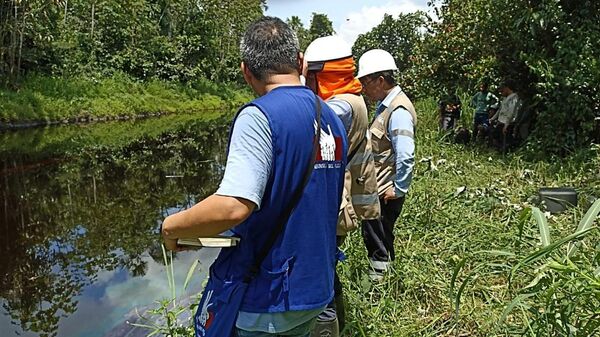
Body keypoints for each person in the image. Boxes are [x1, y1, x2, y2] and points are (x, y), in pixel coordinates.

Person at [160, 16, 348, 337]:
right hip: (317, 287)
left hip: (271, 295)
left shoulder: (258, 116)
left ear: (246, 70)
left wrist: (171, 226)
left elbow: (234, 206)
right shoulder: (330, 116)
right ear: (300, 62)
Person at [304, 35, 380, 336]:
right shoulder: (353, 97)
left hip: (330, 207)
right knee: (328, 275)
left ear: (325, 74)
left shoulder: (340, 107)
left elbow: (308, 134)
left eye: (311, 77)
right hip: (337, 203)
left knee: (319, 280)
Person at [356, 49, 416, 281]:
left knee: (377, 237)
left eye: (366, 82)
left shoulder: (398, 110)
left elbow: (406, 153)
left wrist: (398, 188)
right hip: (379, 187)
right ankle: (386, 277)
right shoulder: (386, 106)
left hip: (385, 191)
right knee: (380, 235)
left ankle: (378, 287)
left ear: (381, 80)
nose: (363, 88)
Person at [489, 81, 523, 150]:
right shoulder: (505, 98)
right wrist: (493, 118)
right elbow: (500, 110)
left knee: (505, 142)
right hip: (501, 121)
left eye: (502, 91)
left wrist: (506, 125)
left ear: (507, 88)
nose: (501, 93)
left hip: (508, 123)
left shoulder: (514, 98)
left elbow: (511, 112)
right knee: (495, 136)